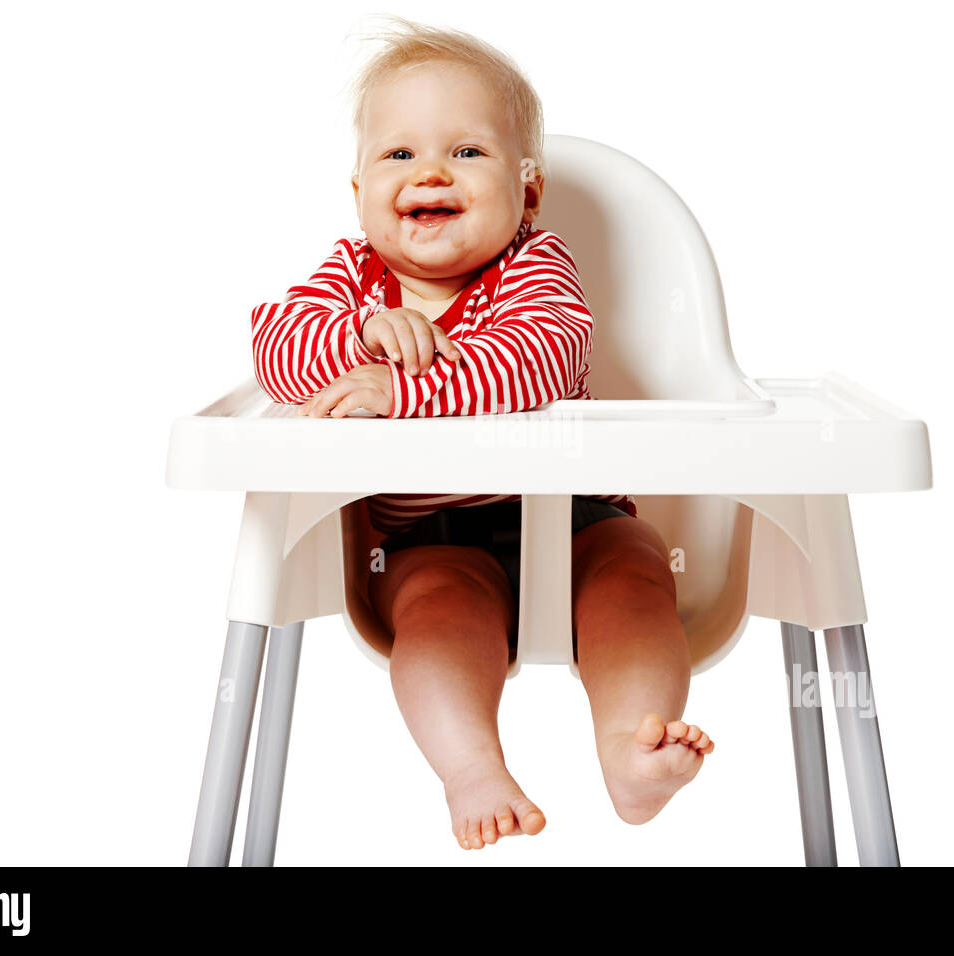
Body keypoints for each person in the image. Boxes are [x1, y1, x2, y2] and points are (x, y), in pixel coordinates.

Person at [250, 16, 713, 851]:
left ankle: (631, 747)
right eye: (398, 155)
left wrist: (400, 392)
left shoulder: (533, 266)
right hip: (428, 541)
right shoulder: (353, 280)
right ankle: (470, 768)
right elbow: (275, 348)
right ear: (357, 192)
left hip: (580, 520)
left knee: (637, 577)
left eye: (467, 152)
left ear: (527, 190)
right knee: (434, 619)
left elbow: (533, 364)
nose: (430, 170)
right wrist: (354, 341)